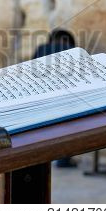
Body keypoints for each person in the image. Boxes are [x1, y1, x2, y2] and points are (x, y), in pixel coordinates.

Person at [32, 28, 77, 168]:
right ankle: (63, 160)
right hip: (64, 95)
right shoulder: (71, 50)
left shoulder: (41, 49)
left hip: (43, 94)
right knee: (67, 129)